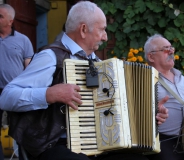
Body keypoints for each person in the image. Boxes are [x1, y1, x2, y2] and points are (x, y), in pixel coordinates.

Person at [0, 2, 168, 160]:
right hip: (53, 143)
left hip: (97, 144)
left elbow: (116, 111)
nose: (105, 37)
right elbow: (7, 97)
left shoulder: (99, 65)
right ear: (83, 29)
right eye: (102, 30)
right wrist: (49, 94)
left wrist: (149, 113)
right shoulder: (51, 57)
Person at [144, 34, 184, 160]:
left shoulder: (182, 78)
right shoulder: (145, 80)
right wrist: (153, 113)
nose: (171, 51)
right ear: (151, 57)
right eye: (165, 49)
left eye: (171, 48)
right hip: (166, 140)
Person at [0, 4, 34, 160]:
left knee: (22, 131)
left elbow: (29, 68)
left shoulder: (23, 40)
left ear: (10, 21)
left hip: (16, 91)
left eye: (0, 16)